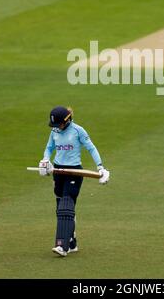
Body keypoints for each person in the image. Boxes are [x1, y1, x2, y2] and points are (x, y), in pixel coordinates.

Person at [39, 106, 110, 257]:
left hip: (74, 172)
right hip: (58, 171)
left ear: (68, 120)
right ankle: (72, 243)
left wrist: (100, 167)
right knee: (61, 209)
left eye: (59, 124)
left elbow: (91, 148)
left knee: (66, 205)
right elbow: (49, 148)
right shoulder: (55, 132)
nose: (57, 127)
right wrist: (45, 160)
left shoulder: (78, 130)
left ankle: (62, 246)